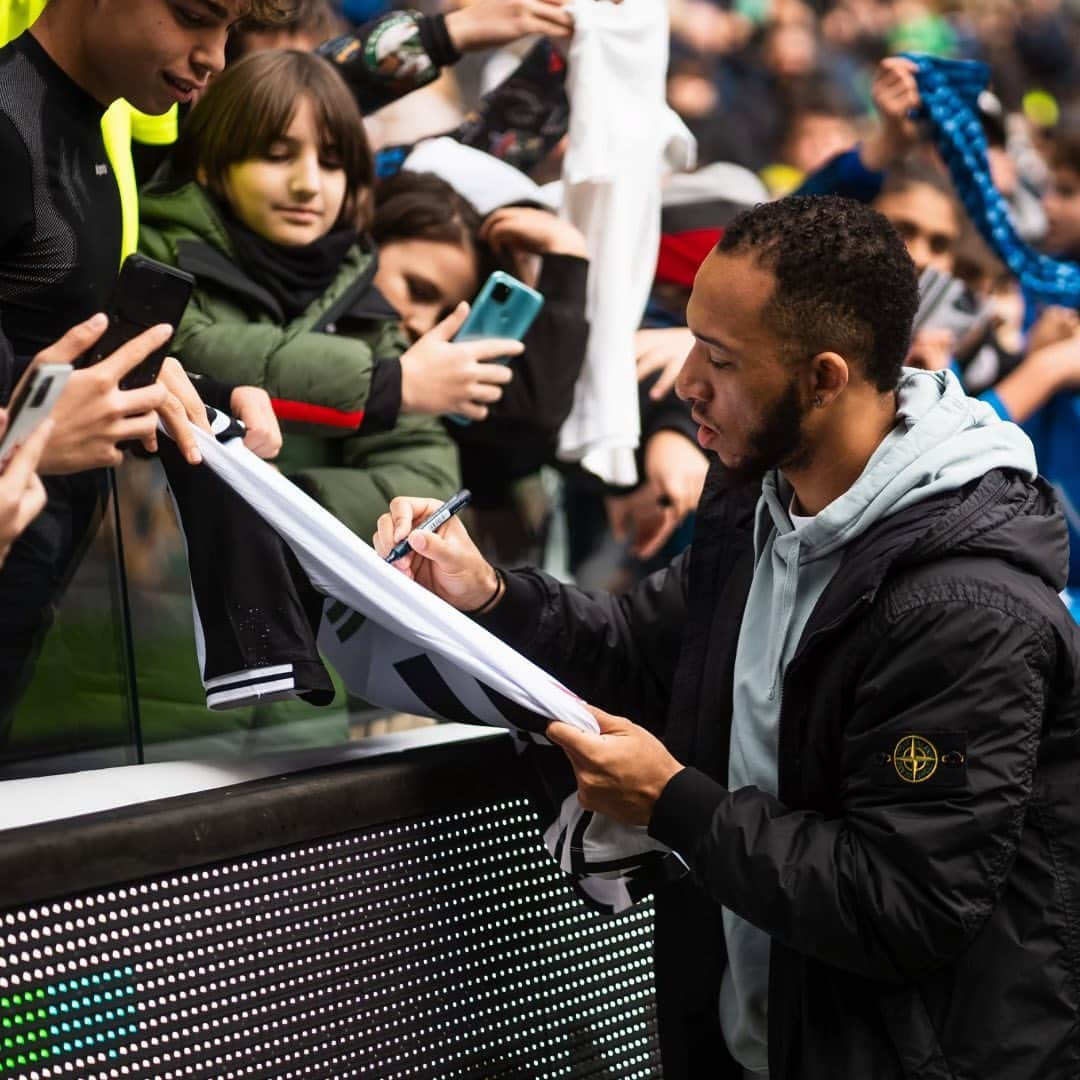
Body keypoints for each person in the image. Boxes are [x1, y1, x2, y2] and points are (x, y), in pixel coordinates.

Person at [374, 196, 1080, 1079]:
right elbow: (641, 649)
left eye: (719, 358)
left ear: (824, 378)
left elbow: (904, 902)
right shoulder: (762, 500)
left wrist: (674, 803)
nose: (685, 386)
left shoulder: (967, 609)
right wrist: (487, 594)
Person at [0, 0, 296, 723]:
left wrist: (194, 389)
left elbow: (51, 344)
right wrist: (21, 437)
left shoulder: (104, 121)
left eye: (229, 31)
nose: (215, 57)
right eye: (195, 15)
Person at [139, 49, 481, 541]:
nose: (308, 184)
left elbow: (426, 477)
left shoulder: (363, 297)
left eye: (332, 162)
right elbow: (188, 348)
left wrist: (290, 501)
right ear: (211, 165)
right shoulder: (154, 245)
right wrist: (388, 385)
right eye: (277, 156)